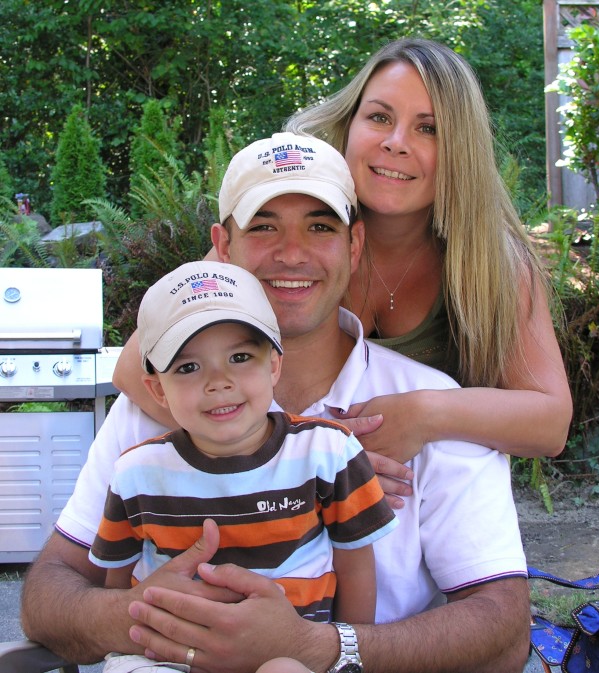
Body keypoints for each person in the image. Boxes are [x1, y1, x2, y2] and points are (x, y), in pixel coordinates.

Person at [22, 131, 530, 673]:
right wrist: (148, 614)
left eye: (319, 226)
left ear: (354, 246)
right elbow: (46, 596)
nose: (292, 253)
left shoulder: (427, 410)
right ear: (223, 247)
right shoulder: (155, 410)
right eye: (264, 227)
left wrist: (322, 649)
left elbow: (502, 624)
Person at [114, 38, 572, 475]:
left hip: (423, 507)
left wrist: (424, 410)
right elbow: (135, 370)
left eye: (427, 128)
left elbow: (551, 422)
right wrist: (301, 459)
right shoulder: (272, 239)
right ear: (349, 126)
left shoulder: (490, 260)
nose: (396, 142)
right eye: (379, 117)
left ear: (461, 152)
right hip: (270, 499)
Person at [89, 260, 396, 673]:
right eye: (188, 367)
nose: (218, 381)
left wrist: (340, 657)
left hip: (287, 653)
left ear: (273, 364)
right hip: (167, 656)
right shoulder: (135, 473)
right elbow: (116, 591)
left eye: (239, 356)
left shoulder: (329, 453)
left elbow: (356, 568)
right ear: (157, 389)